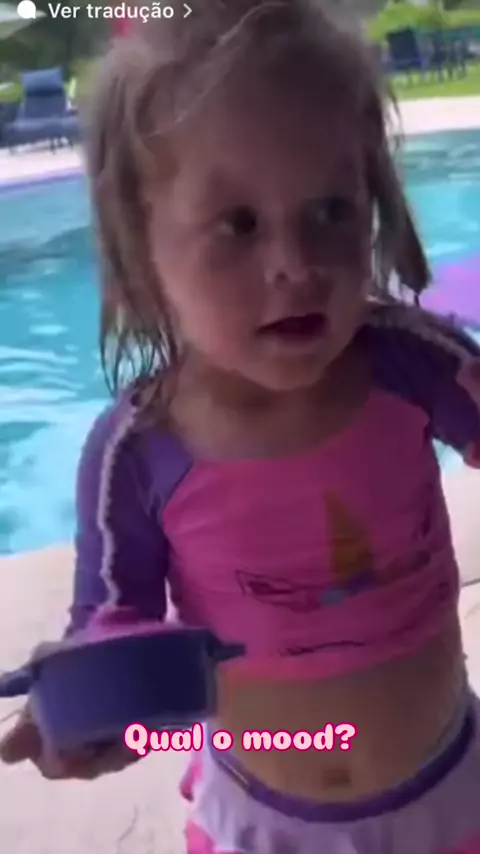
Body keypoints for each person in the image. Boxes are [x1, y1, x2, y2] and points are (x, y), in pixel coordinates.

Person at [2, 1, 480, 851]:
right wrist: (96, 713)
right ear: (143, 249)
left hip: (451, 792)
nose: (296, 264)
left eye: (331, 211)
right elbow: (114, 622)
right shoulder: (137, 452)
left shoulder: (413, 364)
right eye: (239, 225)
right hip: (262, 821)